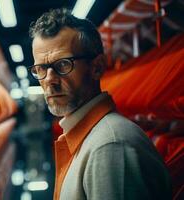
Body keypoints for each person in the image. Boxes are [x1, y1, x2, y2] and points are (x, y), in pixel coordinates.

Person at [28, 8, 172, 200]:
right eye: (41, 69)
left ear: (97, 67)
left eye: (63, 65)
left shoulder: (110, 147)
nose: (50, 80)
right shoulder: (89, 139)